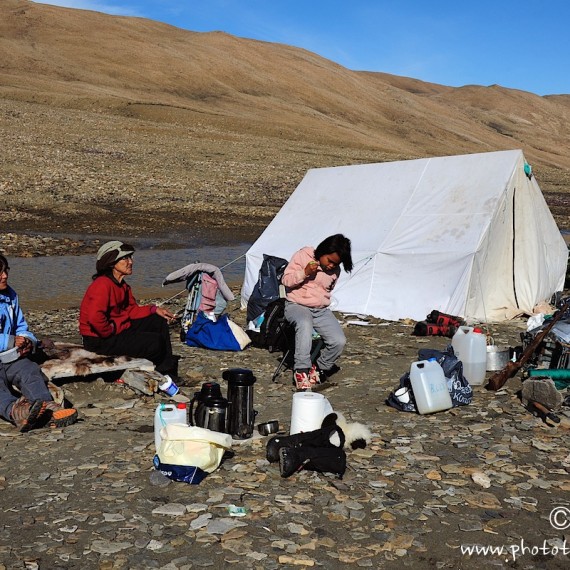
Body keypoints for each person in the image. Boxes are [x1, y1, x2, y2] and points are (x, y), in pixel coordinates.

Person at [0, 254, 78, 431]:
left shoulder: (10, 296)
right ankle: (16, 411)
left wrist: (28, 340)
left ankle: (46, 406)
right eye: (0, 272)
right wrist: (10, 340)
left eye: (5, 271)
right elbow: (12, 337)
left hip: (10, 357)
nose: (5, 276)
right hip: (6, 351)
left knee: (30, 371)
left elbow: (21, 326)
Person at [79, 241, 180, 378]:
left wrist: (154, 310)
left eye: (130, 257)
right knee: (154, 342)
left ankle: (166, 369)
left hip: (115, 331)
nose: (130, 262)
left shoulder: (122, 286)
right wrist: (112, 330)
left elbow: (131, 311)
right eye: (125, 258)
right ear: (111, 262)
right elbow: (95, 318)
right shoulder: (102, 285)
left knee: (158, 320)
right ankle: (158, 371)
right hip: (99, 340)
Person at [281, 234, 353, 391]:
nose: (331, 266)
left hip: (320, 309)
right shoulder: (304, 255)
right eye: (330, 261)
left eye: (336, 264)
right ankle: (301, 370)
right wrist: (304, 272)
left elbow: (328, 290)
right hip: (296, 305)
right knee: (304, 323)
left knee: (338, 340)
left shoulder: (336, 271)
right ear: (322, 252)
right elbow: (285, 280)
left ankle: (319, 368)